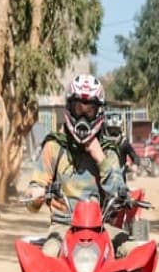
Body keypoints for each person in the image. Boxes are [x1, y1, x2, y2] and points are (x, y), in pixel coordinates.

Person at [26, 74, 130, 258]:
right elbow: (32, 201)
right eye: (78, 109)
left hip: (101, 229)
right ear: (69, 108)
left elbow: (119, 192)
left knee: (134, 252)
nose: (83, 116)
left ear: (98, 112)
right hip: (62, 228)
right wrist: (36, 194)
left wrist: (99, 157)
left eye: (89, 111)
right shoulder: (54, 146)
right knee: (46, 258)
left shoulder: (108, 151)